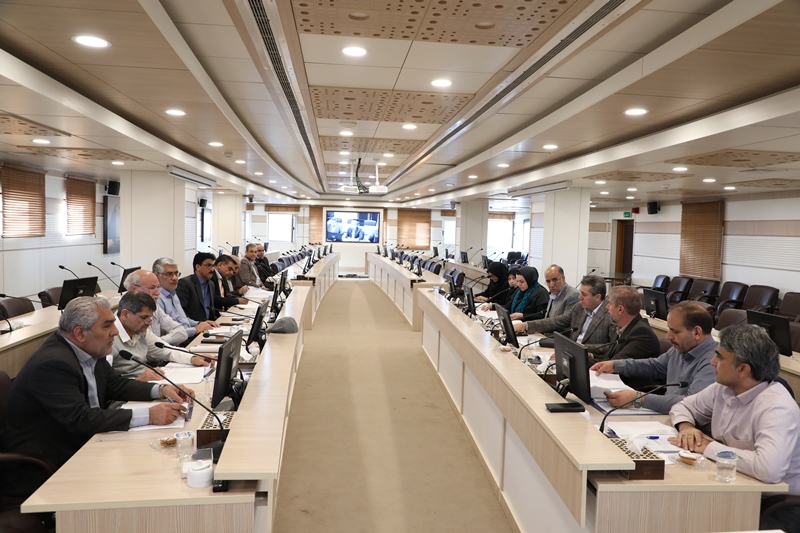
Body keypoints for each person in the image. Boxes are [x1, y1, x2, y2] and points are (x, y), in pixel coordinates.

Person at [1, 297, 192, 490]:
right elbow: (81, 418)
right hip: (47, 466)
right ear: (80, 333)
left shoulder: (90, 349)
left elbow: (116, 384)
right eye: (107, 325)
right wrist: (150, 415)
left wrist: (161, 390)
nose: (115, 331)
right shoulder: (53, 364)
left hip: (86, 445)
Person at [669, 325, 800, 532]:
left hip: (777, 505)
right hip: (737, 486)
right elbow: (683, 406)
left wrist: (708, 447)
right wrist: (687, 428)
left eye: (720, 357)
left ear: (743, 369)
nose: (713, 362)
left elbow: (769, 470)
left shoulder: (776, 408)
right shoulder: (724, 388)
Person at [590, 301, 717, 414]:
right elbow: (654, 366)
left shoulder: (714, 362)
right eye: (669, 330)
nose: (668, 336)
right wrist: (615, 365)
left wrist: (638, 398)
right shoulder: (681, 348)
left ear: (696, 332)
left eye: (675, 331)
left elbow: (690, 404)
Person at [111, 292, 210, 379]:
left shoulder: (141, 331)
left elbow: (167, 351)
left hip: (145, 383)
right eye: (144, 317)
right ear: (125, 314)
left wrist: (193, 358)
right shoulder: (109, 338)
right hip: (127, 389)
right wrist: (138, 380)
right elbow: (107, 384)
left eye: (150, 318)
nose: (149, 323)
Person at [515, 274, 616, 354]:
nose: (579, 297)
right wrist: (526, 325)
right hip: (569, 354)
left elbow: (611, 347)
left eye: (584, 294)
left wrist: (582, 347)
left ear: (597, 297)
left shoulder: (610, 314)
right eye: (580, 292)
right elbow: (556, 321)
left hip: (592, 360)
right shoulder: (579, 308)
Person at [589, 285, 660, 363]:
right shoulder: (620, 326)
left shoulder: (642, 333)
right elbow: (609, 357)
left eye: (609, 303)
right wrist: (591, 356)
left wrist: (583, 361)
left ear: (620, 309)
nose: (607, 307)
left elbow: (614, 364)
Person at [152, 257, 217, 342]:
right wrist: (195, 329)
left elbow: (183, 320)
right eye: (169, 274)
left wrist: (199, 323)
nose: (175, 278)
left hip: (188, 336)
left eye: (176, 273)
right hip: (177, 342)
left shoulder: (173, 293)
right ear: (156, 276)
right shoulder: (156, 299)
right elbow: (170, 332)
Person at [124, 269, 188, 347]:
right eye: (152, 288)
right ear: (134, 289)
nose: (158, 293)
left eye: (158, 287)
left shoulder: (155, 307)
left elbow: (182, 332)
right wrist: (157, 343)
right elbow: (144, 346)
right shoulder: (128, 314)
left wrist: (158, 342)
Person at [176, 252, 219, 321]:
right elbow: (181, 311)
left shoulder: (211, 284)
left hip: (209, 325)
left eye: (213, 266)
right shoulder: (185, 283)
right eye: (208, 265)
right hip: (193, 325)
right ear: (198, 267)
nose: (212, 269)